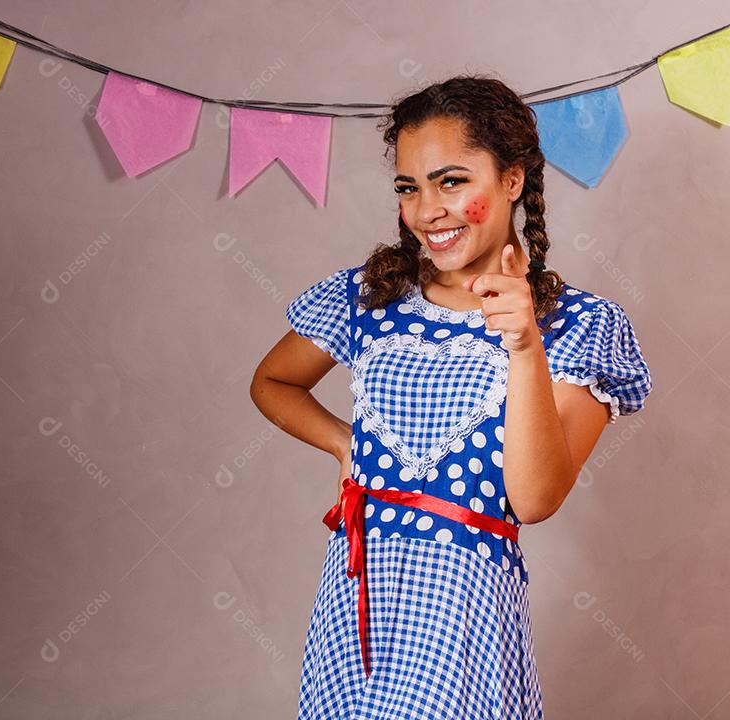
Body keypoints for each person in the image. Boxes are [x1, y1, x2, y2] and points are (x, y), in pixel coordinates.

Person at [249, 74, 653, 720]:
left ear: (512, 180)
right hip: (359, 601)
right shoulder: (369, 297)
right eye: (409, 188)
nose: (426, 210)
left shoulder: (578, 326)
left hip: (463, 617)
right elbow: (271, 382)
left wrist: (525, 346)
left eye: (452, 181)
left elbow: (536, 498)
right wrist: (343, 443)